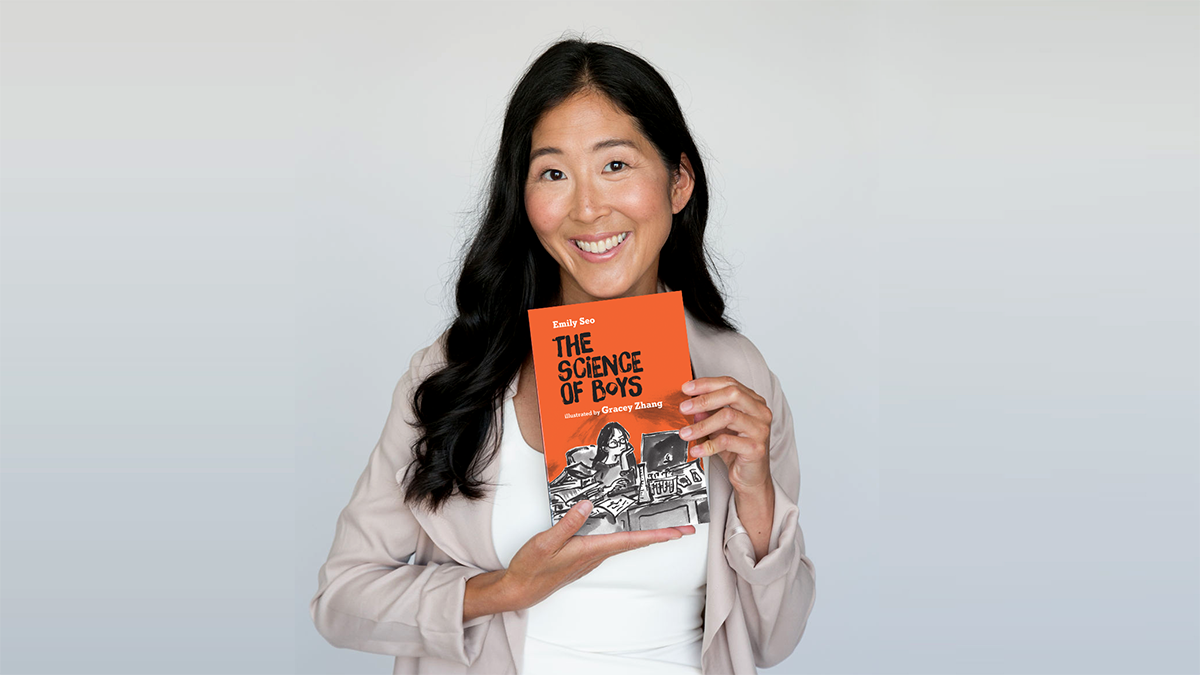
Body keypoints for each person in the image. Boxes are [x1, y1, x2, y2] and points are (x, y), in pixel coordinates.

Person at [310, 39, 816, 674]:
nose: (586, 208)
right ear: (521, 196)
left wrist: (756, 496)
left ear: (678, 181)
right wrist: (504, 589)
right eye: (553, 173)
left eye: (616, 165)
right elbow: (341, 599)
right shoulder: (456, 371)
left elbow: (775, 640)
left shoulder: (737, 374)